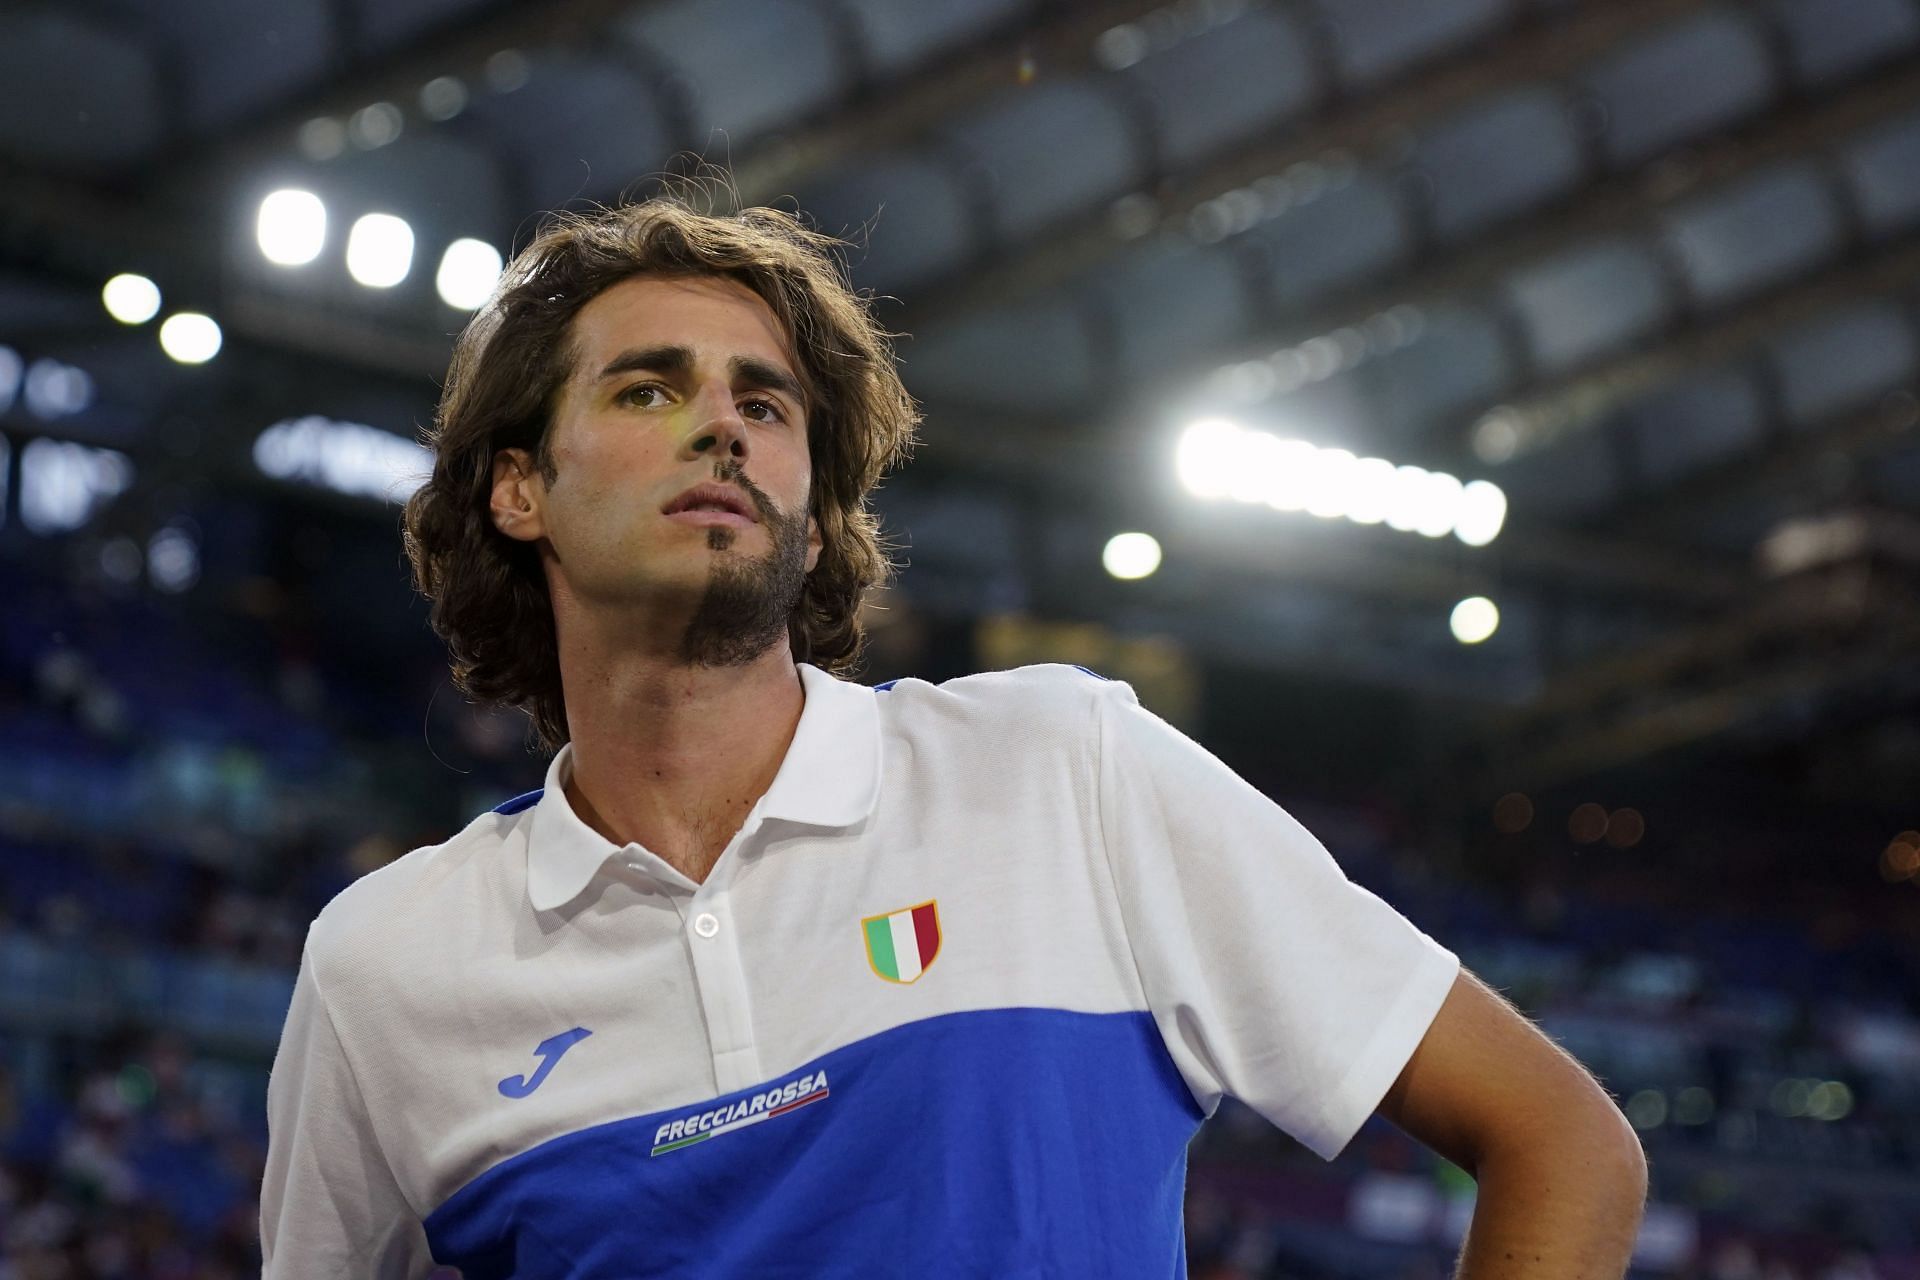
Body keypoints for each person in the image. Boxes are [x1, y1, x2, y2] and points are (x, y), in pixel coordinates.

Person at [260, 196, 1648, 1277]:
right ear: (519, 489)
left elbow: (1562, 1141)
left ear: (811, 507)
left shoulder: (1062, 770)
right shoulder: (388, 968)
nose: (722, 429)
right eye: (648, 390)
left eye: (765, 401)